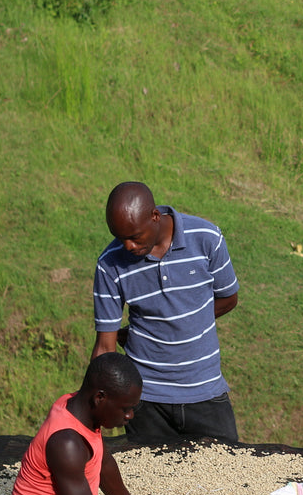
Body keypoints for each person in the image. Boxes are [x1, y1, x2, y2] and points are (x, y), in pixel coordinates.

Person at [5, 354, 197, 495]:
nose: (130, 416)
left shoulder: (80, 412)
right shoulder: (66, 443)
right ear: (99, 398)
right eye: (125, 408)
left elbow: (103, 463)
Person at [92, 182, 240, 443]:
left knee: (227, 473)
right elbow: (105, 346)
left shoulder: (206, 238)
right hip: (145, 402)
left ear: (155, 216)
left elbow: (228, 298)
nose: (128, 246)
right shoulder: (110, 263)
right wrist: (90, 409)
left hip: (205, 392)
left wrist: (186, 321)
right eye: (120, 237)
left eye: (135, 237)